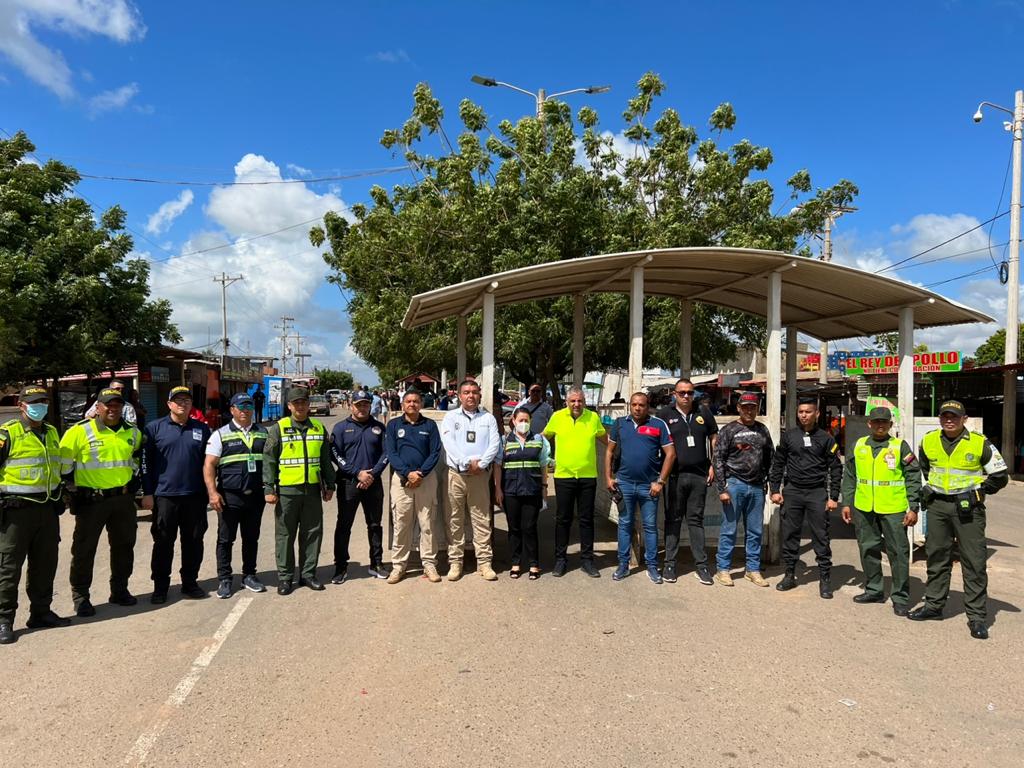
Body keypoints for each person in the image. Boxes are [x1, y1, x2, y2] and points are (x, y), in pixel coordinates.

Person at [908, 400, 1009, 639]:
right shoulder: (929, 441)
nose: (949, 420)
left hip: (969, 510)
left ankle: (976, 617)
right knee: (936, 557)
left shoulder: (979, 442)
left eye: (954, 416)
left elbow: (1000, 475)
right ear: (940, 419)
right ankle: (934, 606)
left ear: (964, 419)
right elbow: (925, 470)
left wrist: (979, 493)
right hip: (938, 507)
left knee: (973, 561)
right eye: (945, 416)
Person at [60, 387, 144, 616]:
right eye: (107, 404)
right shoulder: (79, 432)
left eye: (117, 404)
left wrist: (135, 484)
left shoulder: (133, 433)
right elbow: (64, 466)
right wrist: (72, 492)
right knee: (84, 550)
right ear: (97, 407)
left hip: (122, 500)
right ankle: (81, 596)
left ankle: (119, 590)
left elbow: (136, 459)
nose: (112, 409)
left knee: (124, 547)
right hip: (91, 501)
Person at [0, 386, 69, 644]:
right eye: (34, 402)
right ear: (21, 406)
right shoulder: (7, 434)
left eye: (43, 401)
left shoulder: (51, 433)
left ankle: (40, 612)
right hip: (15, 513)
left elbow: (55, 469)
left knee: (45, 564)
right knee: (8, 567)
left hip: (46, 509)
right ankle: (3, 619)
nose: (39, 405)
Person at [840, 406, 921, 616]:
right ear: (869, 424)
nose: (880, 425)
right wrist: (847, 502)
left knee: (898, 553)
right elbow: (849, 475)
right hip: (864, 507)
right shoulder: (859, 445)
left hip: (893, 509)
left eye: (884, 422)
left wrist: (913, 506)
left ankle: (900, 597)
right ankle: (874, 589)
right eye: (876, 422)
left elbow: (913, 476)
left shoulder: (900, 446)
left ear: (890, 425)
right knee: (868, 549)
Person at [262, 386, 336, 595]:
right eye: (296, 403)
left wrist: (330, 485)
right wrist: (269, 488)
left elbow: (325, 460)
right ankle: (285, 578)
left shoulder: (318, 428)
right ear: (289, 406)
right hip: (287, 492)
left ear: (308, 404)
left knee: (312, 533)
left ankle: (307, 574)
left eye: (304, 402)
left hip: (312, 490)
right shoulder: (278, 428)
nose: (301, 406)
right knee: (285, 535)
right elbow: (269, 461)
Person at [142, 386, 211, 603]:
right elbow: (145, 464)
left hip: (194, 495)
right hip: (165, 496)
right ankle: (160, 587)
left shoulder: (202, 429)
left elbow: (209, 463)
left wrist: (211, 490)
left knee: (193, 541)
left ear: (192, 405)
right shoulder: (153, 429)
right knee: (163, 542)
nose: (182, 403)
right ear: (169, 404)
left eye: (187, 400)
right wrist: (148, 492)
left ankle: (190, 582)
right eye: (178, 400)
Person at [769, 397, 843, 598]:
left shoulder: (826, 439)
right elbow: (778, 464)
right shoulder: (789, 437)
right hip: (793, 491)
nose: (804, 415)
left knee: (821, 535)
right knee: (791, 534)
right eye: (801, 411)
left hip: (817, 493)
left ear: (817, 414)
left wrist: (833, 496)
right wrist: (775, 489)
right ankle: (789, 575)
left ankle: (825, 579)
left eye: (808, 412)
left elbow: (836, 468)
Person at [605, 393, 675, 584]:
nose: (637, 408)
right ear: (630, 406)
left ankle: (652, 567)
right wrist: (609, 477)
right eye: (634, 404)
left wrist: (660, 481)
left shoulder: (658, 424)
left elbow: (670, 454)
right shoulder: (620, 424)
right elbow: (610, 451)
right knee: (625, 525)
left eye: (641, 405)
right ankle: (623, 565)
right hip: (624, 484)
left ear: (647, 406)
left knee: (650, 527)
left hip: (649, 486)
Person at [204, 393, 269, 599]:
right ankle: (224, 578)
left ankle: (249, 575)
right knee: (225, 539)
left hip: (255, 497)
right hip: (229, 497)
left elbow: (270, 464)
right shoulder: (220, 434)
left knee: (251, 538)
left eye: (248, 406)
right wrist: (212, 493)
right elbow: (209, 465)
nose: (245, 410)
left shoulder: (263, 433)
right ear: (232, 409)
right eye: (240, 407)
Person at [657, 377, 718, 585]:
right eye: (682, 392)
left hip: (699, 475)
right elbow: (655, 443)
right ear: (674, 394)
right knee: (672, 520)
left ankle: (701, 566)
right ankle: (670, 564)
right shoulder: (664, 415)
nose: (686, 396)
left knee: (695, 521)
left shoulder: (703, 412)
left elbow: (713, 438)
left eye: (690, 393)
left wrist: (713, 464)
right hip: (674, 476)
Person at [544, 385, 607, 578]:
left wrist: (622, 447)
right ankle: (561, 560)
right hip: (564, 476)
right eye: (573, 401)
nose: (576, 404)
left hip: (588, 476)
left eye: (580, 401)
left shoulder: (593, 418)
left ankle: (587, 561)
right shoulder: (557, 417)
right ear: (567, 402)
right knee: (563, 520)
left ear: (584, 401)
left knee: (586, 520)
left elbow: (606, 440)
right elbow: (544, 438)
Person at [440, 380, 501, 581]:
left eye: (474, 392)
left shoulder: (488, 419)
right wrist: (467, 462)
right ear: (459, 395)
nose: (471, 396)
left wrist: (481, 464)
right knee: (455, 520)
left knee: (481, 519)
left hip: (480, 476)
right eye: (466, 392)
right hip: (456, 475)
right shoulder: (450, 417)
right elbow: (449, 444)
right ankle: (455, 563)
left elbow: (494, 444)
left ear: (479, 395)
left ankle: (484, 563)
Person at [712, 392, 774, 587]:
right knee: (729, 530)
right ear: (738, 408)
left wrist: (772, 485)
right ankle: (723, 569)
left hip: (756, 487)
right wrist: (722, 488)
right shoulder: (729, 430)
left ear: (757, 409)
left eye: (753, 407)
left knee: (755, 531)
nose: (749, 410)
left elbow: (770, 458)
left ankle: (752, 569)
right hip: (734, 485)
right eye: (745, 407)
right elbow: (718, 459)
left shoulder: (762, 430)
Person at [329, 390, 388, 583]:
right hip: (349, 483)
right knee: (344, 525)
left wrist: (373, 473)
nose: (362, 408)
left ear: (370, 406)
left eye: (365, 404)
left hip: (373, 482)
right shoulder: (340, 428)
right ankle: (340, 566)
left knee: (375, 525)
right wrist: (357, 472)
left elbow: (387, 454)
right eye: (358, 404)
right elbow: (335, 454)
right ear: (351, 405)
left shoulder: (379, 427)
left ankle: (377, 563)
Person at [384, 390, 442, 584]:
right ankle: (399, 566)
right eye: (408, 401)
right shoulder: (393, 425)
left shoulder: (430, 425)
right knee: (401, 524)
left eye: (416, 401)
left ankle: (429, 564)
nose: (412, 404)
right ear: (402, 404)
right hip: (402, 481)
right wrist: (407, 473)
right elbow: (391, 453)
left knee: (427, 524)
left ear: (421, 404)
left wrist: (420, 474)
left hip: (426, 479)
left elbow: (435, 453)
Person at [494, 407, 551, 580]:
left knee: (530, 527)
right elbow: (498, 466)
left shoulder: (539, 440)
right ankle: (515, 563)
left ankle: (534, 564)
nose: (524, 424)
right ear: (513, 420)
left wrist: (544, 488)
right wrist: (498, 489)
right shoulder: (504, 441)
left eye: (527, 420)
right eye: (521, 420)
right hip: (511, 491)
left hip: (532, 490)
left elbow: (543, 465)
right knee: (514, 528)